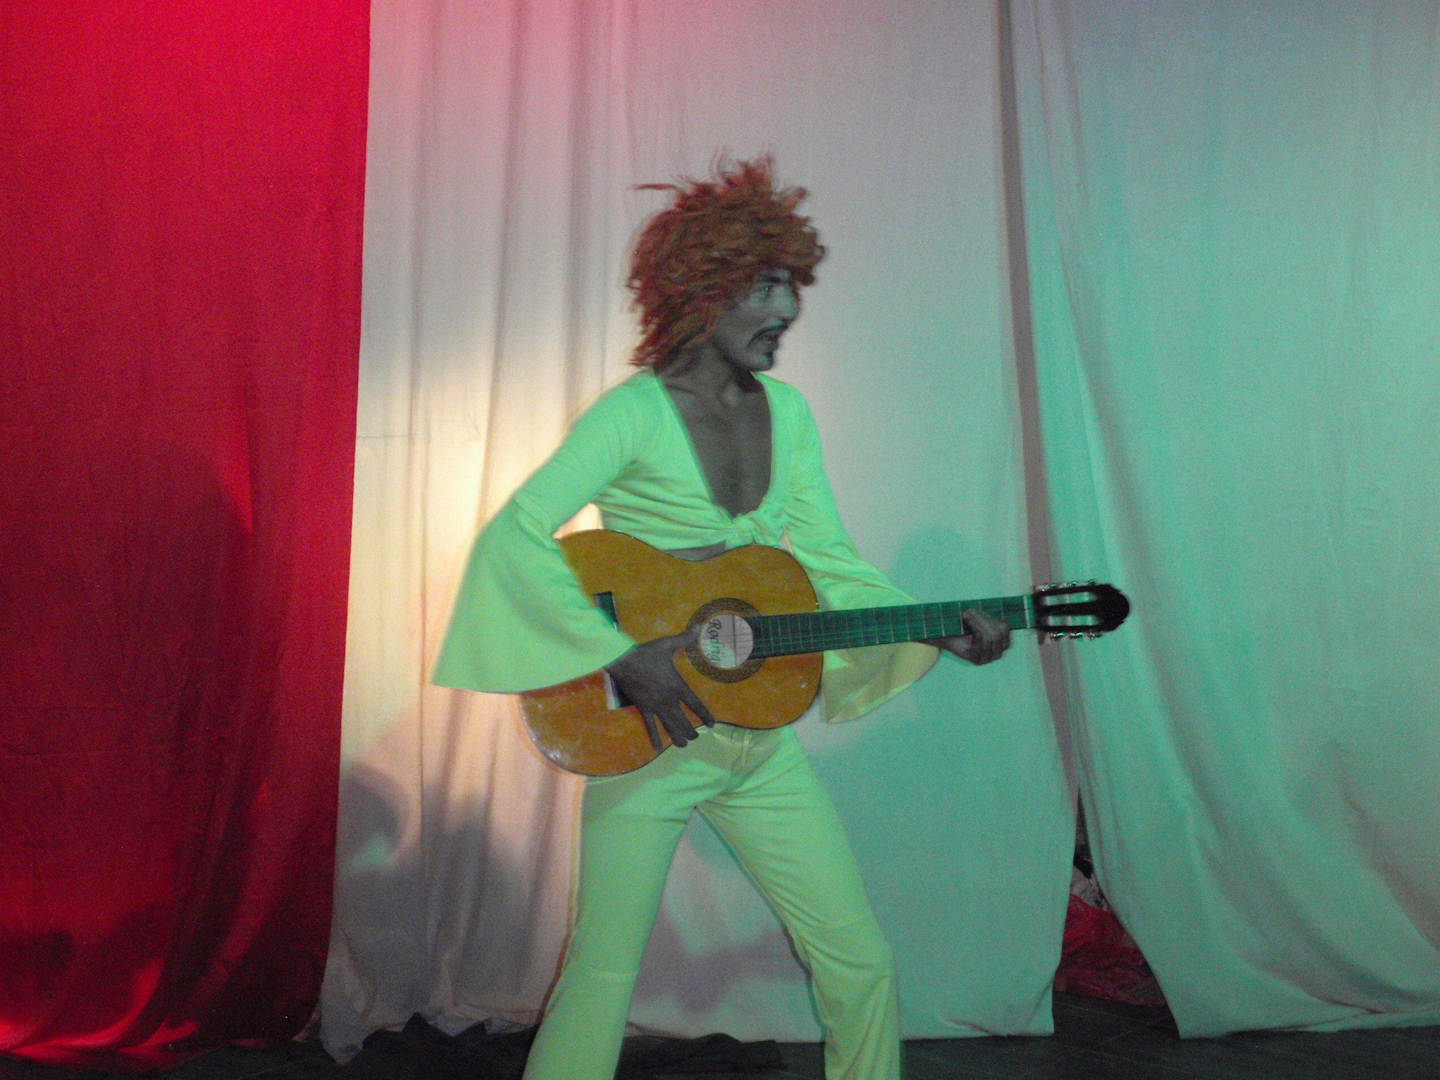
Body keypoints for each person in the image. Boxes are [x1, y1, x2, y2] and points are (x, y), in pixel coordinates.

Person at [433, 157, 1011, 1080]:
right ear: (702, 291)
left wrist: (928, 627)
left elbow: (829, 563)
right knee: (601, 976)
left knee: (859, 959)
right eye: (765, 287)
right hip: (652, 742)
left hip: (759, 746)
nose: (788, 310)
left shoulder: (790, 413)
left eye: (791, 287)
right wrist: (619, 655)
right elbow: (516, 535)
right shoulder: (631, 417)